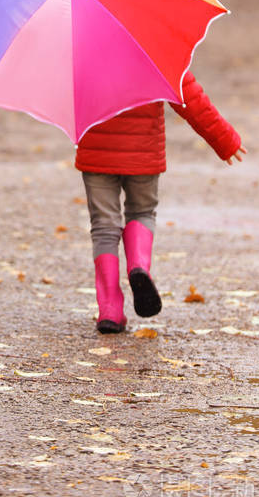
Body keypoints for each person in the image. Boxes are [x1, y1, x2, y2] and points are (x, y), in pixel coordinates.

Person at [76, 70, 245, 333]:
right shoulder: (155, 48)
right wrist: (224, 139)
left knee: (103, 227)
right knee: (142, 212)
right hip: (144, 151)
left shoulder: (82, 45)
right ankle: (138, 267)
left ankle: (109, 309)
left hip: (95, 149)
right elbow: (188, 97)